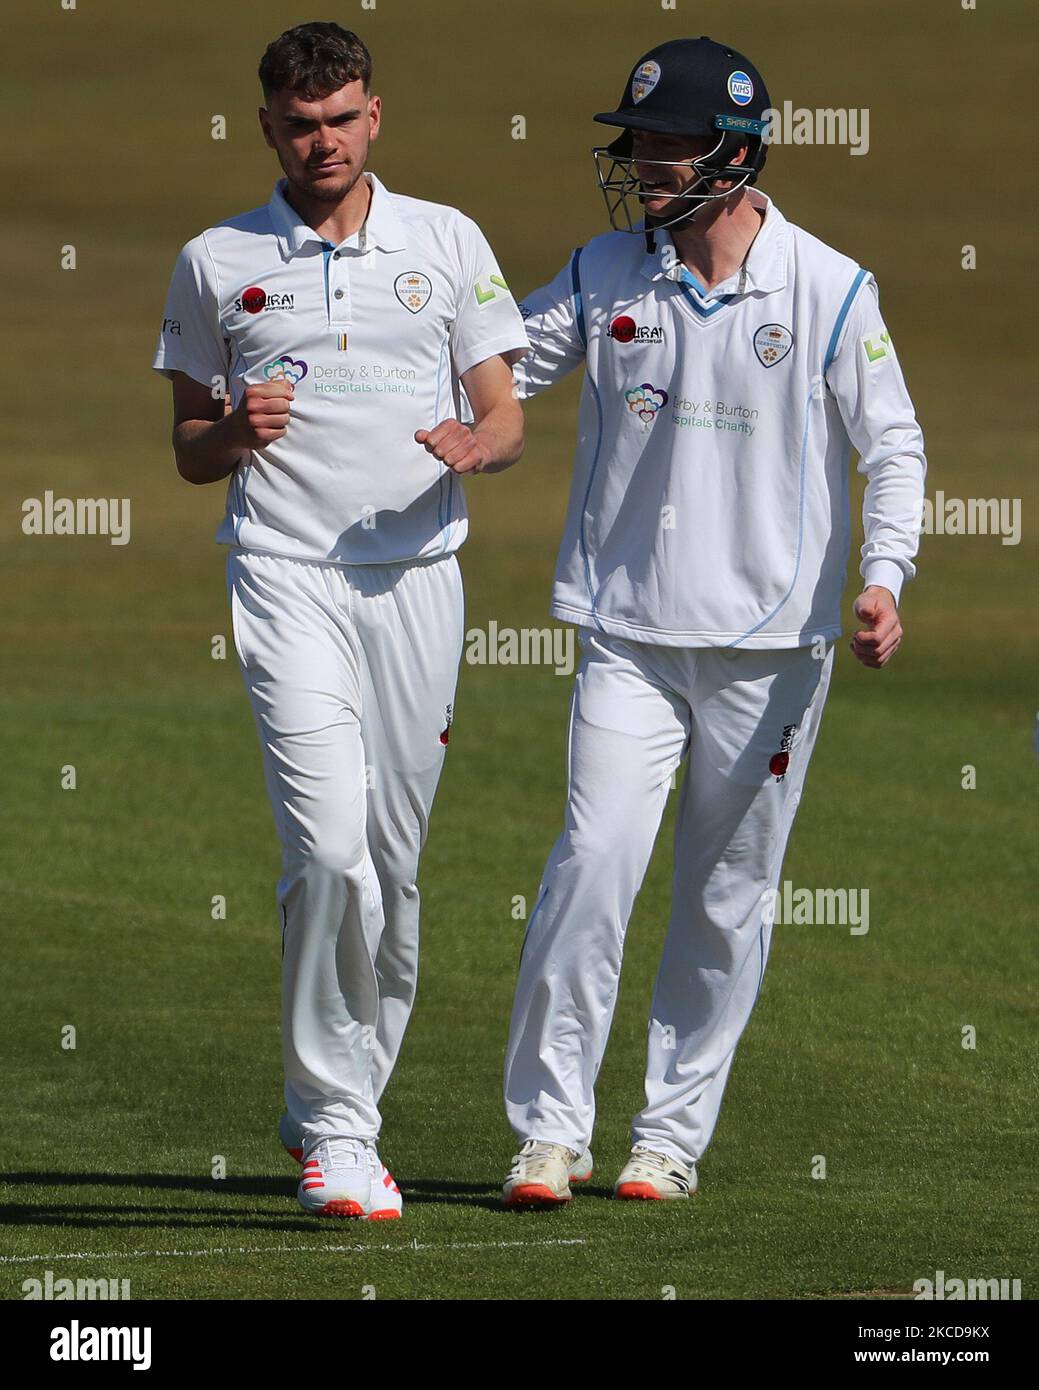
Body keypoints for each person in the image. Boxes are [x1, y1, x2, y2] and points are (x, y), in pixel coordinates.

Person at [500, 37, 926, 1206]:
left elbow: (890, 444)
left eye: (664, 145)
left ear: (734, 157)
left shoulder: (830, 287)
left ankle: (667, 1139)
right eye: (635, 141)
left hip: (771, 645)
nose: (640, 164)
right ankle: (549, 1129)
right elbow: (494, 364)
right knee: (593, 860)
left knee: (723, 899)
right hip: (627, 631)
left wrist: (882, 574)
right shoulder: (603, 271)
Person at [151, 21, 527, 1219]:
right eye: (300, 124)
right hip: (284, 573)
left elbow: (504, 411)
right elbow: (187, 449)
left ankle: (349, 1096)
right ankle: (336, 1128)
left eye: (342, 120)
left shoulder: (446, 240)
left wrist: (479, 445)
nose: (322, 141)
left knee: (395, 870)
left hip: (418, 575)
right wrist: (232, 435)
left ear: (375, 119)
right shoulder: (216, 260)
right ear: (269, 126)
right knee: (326, 852)